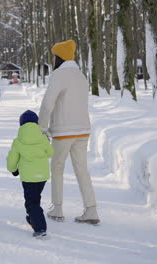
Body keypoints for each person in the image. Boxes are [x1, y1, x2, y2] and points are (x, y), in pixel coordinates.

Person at [38, 40, 100, 224]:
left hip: (63, 131)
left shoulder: (59, 75)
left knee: (57, 168)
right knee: (82, 170)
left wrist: (42, 127)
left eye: (54, 56)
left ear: (59, 57)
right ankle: (91, 210)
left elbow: (48, 103)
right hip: (82, 130)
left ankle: (57, 208)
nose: (53, 59)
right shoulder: (80, 75)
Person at [7, 110, 54, 238]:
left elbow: (12, 160)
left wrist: (13, 170)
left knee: (31, 202)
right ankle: (32, 217)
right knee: (35, 197)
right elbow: (50, 153)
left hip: (28, 178)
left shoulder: (18, 141)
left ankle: (40, 228)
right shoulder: (43, 137)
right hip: (42, 176)